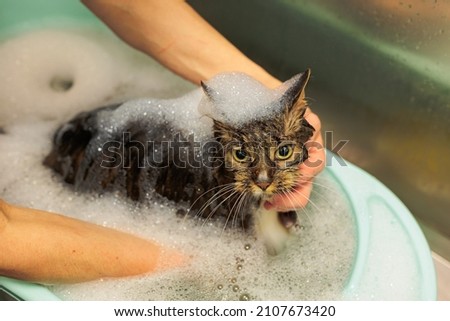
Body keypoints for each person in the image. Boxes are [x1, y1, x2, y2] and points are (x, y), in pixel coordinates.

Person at [0, 0, 324, 284]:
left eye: (283, 152)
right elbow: (9, 238)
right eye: (240, 155)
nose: (264, 177)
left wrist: (268, 93)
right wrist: (184, 263)